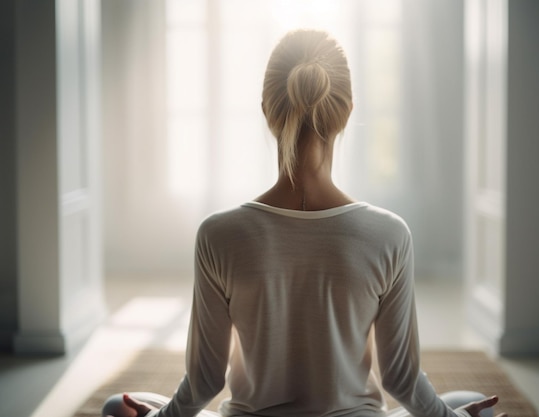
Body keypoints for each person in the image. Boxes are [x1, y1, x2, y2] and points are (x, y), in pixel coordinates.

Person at [102, 29, 506, 417]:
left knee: (116, 408)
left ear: (266, 111)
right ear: (347, 111)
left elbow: (205, 381)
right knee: (469, 402)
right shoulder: (390, 234)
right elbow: (400, 381)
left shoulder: (217, 233)